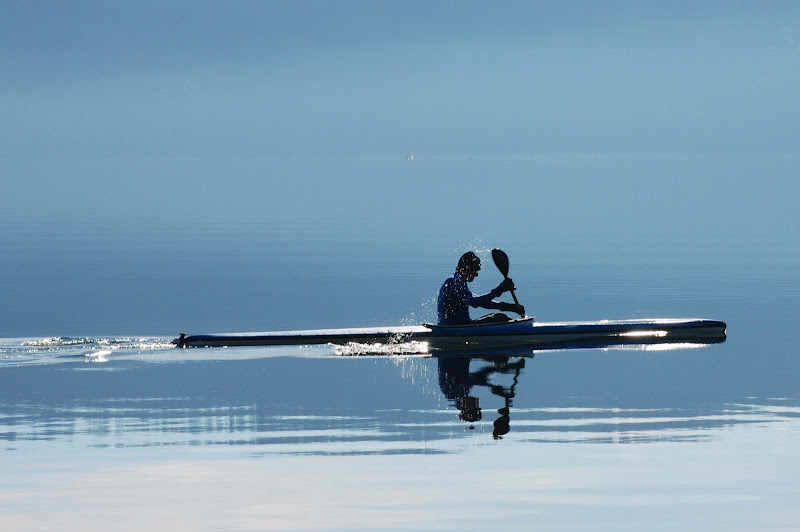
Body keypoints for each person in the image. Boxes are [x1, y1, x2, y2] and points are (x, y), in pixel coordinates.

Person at [437, 251, 525, 326]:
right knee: (500, 318)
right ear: (467, 268)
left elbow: (482, 303)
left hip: (458, 326)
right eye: (475, 270)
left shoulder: (457, 280)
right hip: (456, 329)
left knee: (499, 317)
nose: (476, 274)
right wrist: (499, 289)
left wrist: (510, 307)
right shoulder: (454, 283)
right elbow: (475, 303)